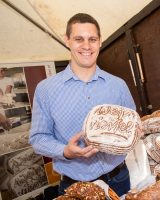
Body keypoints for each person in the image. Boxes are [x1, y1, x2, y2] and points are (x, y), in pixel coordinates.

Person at [29, 13, 135, 197]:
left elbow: (133, 124)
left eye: (92, 39)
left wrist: (135, 131)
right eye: (79, 39)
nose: (86, 46)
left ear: (100, 41)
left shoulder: (118, 85)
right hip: (74, 187)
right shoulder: (46, 89)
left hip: (120, 178)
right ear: (67, 40)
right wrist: (65, 151)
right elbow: (38, 138)